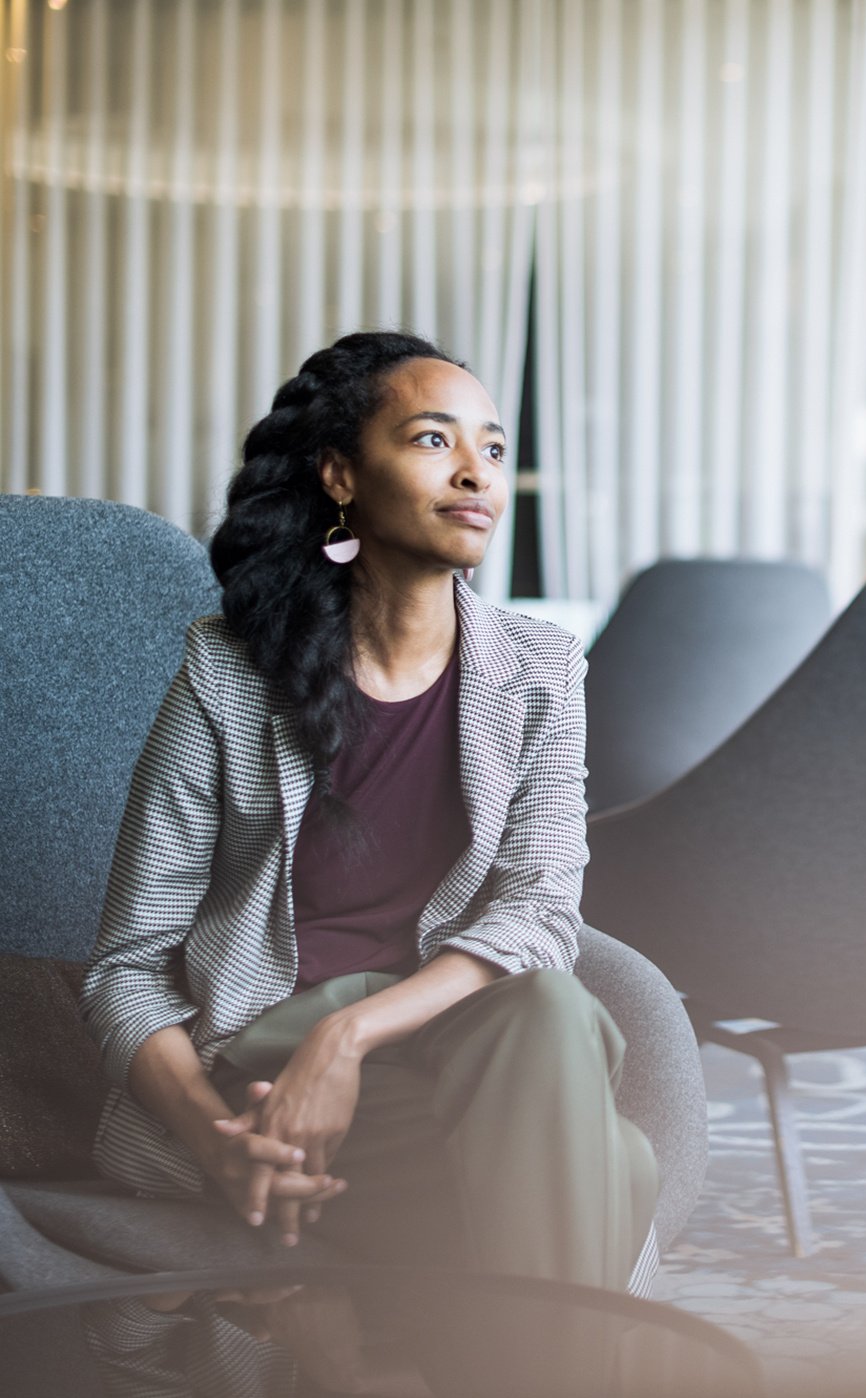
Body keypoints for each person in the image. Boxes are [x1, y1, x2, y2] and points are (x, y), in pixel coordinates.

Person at [80, 330, 658, 1300]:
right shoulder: (229, 674)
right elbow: (129, 964)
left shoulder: (544, 672)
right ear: (341, 473)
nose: (477, 471)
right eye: (434, 440)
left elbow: (543, 912)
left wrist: (343, 1040)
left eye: (494, 447)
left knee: (549, 1005)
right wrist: (218, 1146)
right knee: (616, 1163)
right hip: (261, 1067)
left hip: (439, 1047)